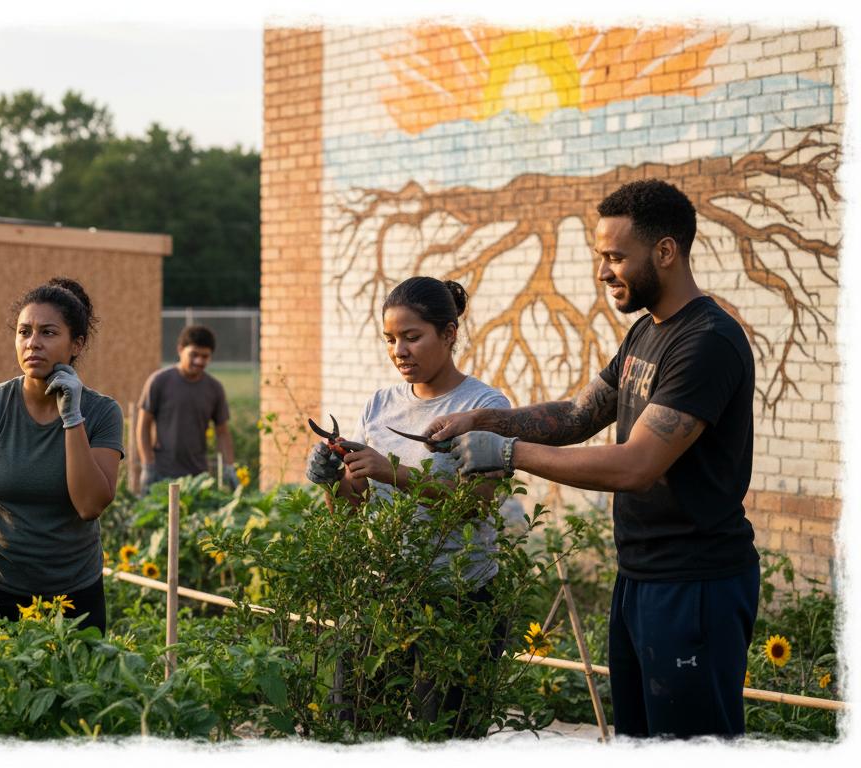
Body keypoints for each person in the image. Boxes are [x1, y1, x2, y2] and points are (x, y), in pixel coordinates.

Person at [426, 179, 758, 739]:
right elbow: (578, 416)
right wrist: (479, 420)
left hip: (695, 583)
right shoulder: (644, 336)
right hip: (642, 576)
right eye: (599, 257)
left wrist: (507, 453)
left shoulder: (707, 342)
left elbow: (637, 465)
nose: (603, 272)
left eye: (614, 257)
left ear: (666, 252)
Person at [305, 275, 516, 735]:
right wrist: (332, 480)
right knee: (356, 729)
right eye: (390, 339)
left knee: (443, 738)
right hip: (382, 594)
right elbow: (350, 509)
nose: (399, 350)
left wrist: (391, 472)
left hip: (457, 600)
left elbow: (474, 507)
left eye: (412, 337)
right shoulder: (380, 404)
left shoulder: (483, 405)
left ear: (449, 333)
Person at [0, 276, 123, 641]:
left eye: (48, 333)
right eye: (24, 332)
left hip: (73, 598)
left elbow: (90, 505)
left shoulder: (102, 413)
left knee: (67, 698)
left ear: (77, 344)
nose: (33, 343)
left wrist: (72, 418)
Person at [135, 324, 236, 494]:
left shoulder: (214, 388)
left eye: (205, 356)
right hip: (161, 474)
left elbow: (222, 432)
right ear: (180, 350)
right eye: (194, 355)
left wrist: (229, 467)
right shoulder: (159, 381)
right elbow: (143, 426)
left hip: (198, 478)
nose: (199, 361)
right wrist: (147, 465)